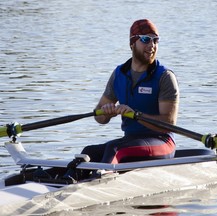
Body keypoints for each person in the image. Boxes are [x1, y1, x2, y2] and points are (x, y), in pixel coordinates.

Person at [74, 19, 179, 178]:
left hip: (162, 143)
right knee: (89, 151)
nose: (152, 45)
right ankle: (64, 178)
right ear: (132, 43)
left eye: (155, 40)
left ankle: (100, 180)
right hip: (130, 142)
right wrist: (106, 113)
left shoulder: (164, 77)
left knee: (115, 149)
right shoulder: (119, 74)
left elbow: (168, 124)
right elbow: (99, 117)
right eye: (145, 39)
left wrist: (137, 114)